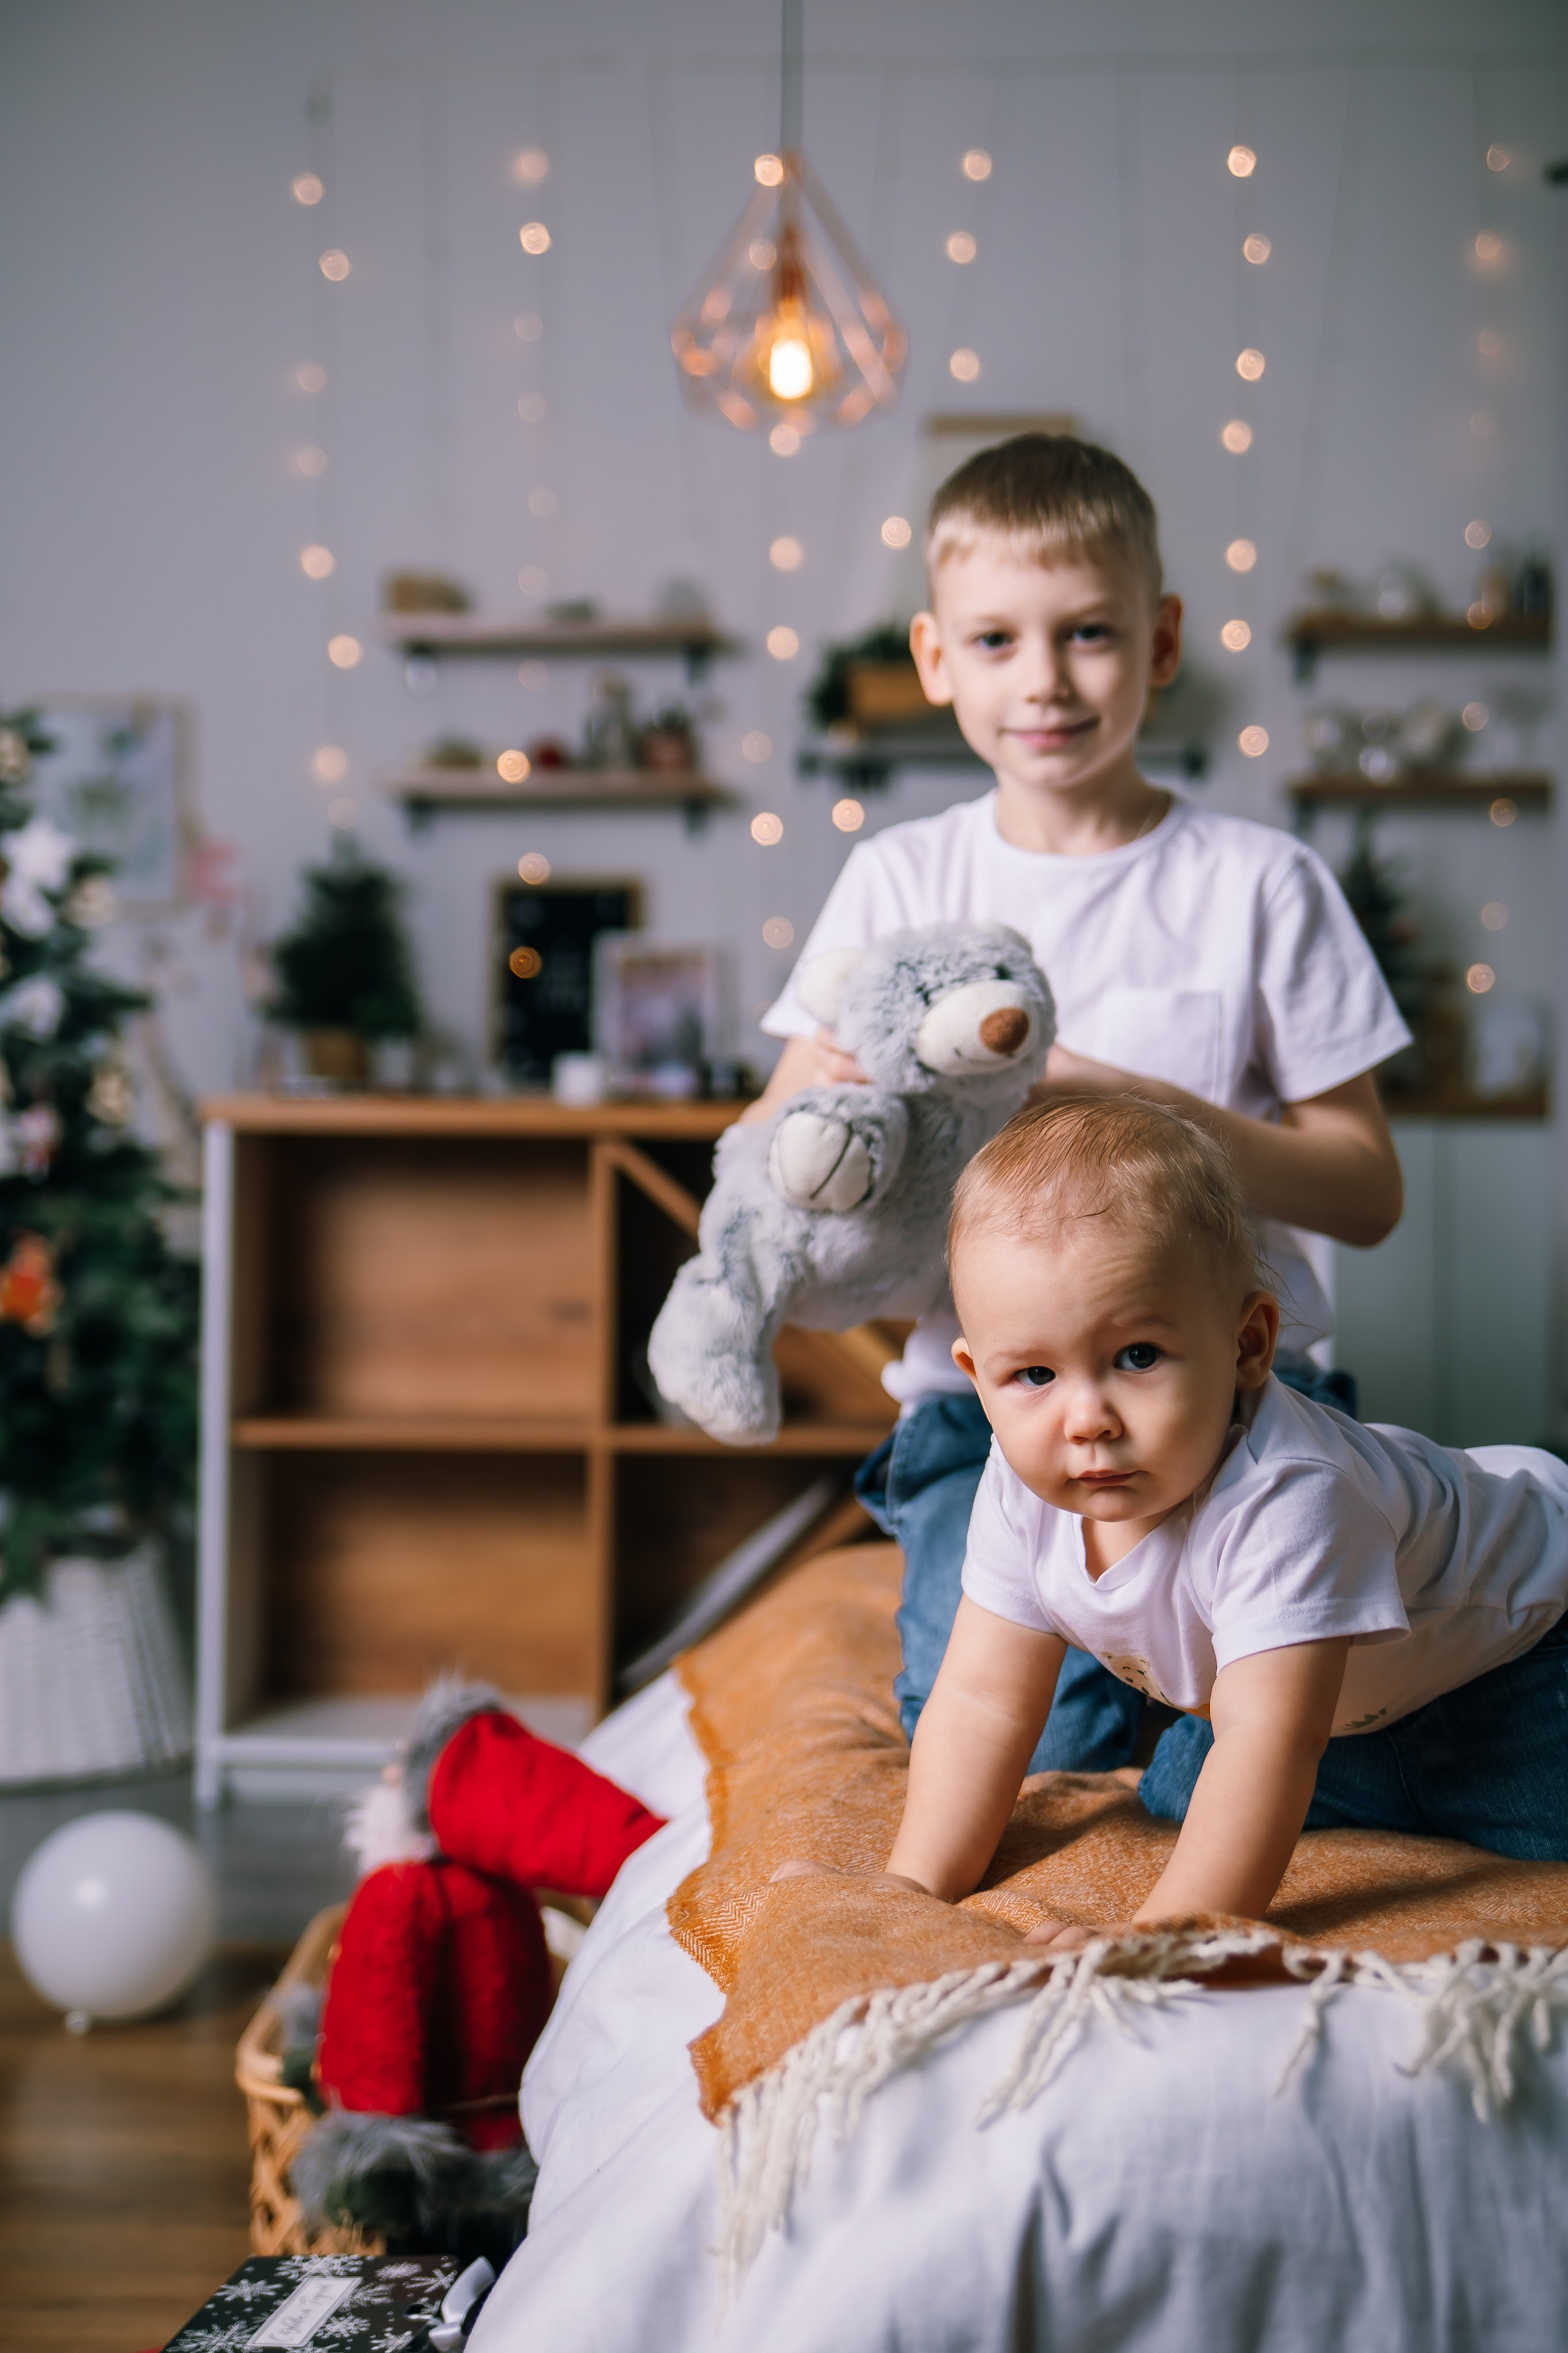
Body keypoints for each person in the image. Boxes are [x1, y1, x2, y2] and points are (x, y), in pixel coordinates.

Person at [744, 432, 1412, 1773]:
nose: (1042, 682)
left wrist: (1148, 1110)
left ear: (1159, 640)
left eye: (1088, 634)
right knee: (1024, 1757)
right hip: (980, 1412)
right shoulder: (894, 882)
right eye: (993, 641)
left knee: (1308, 1741)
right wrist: (815, 1122)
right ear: (934, 659)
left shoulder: (1256, 883)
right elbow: (773, 1161)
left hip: (1238, 1401)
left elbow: (1366, 1189)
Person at [875, 1096, 1568, 1945]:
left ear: (1248, 1344)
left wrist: (1163, 1937)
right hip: (1353, 1700)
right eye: (1033, 1374)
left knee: (1522, 1809)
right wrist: (908, 1888)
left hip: (1523, 1654)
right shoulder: (1021, 1489)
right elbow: (982, 1700)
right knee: (1179, 1795)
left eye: (1137, 1356)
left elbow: (1271, 1740)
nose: (1085, 1417)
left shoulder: (1288, 1496)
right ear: (976, 1376)